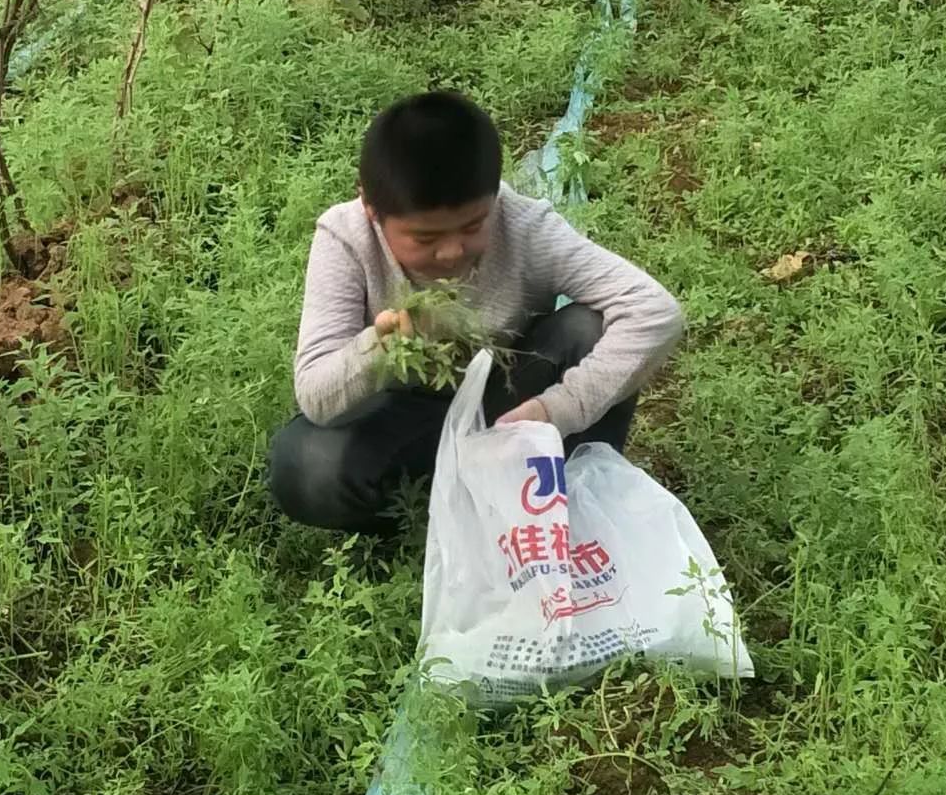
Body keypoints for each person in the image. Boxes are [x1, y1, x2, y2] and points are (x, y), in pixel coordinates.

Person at [267, 91, 684, 535]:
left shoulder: (524, 228)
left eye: (471, 227)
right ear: (371, 209)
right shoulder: (346, 240)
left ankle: (569, 502)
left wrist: (556, 411)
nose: (451, 251)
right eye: (425, 239)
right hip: (405, 417)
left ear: (494, 198)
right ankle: (433, 520)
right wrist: (380, 349)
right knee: (306, 464)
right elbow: (315, 394)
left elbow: (653, 311)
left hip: (509, 401)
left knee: (587, 328)